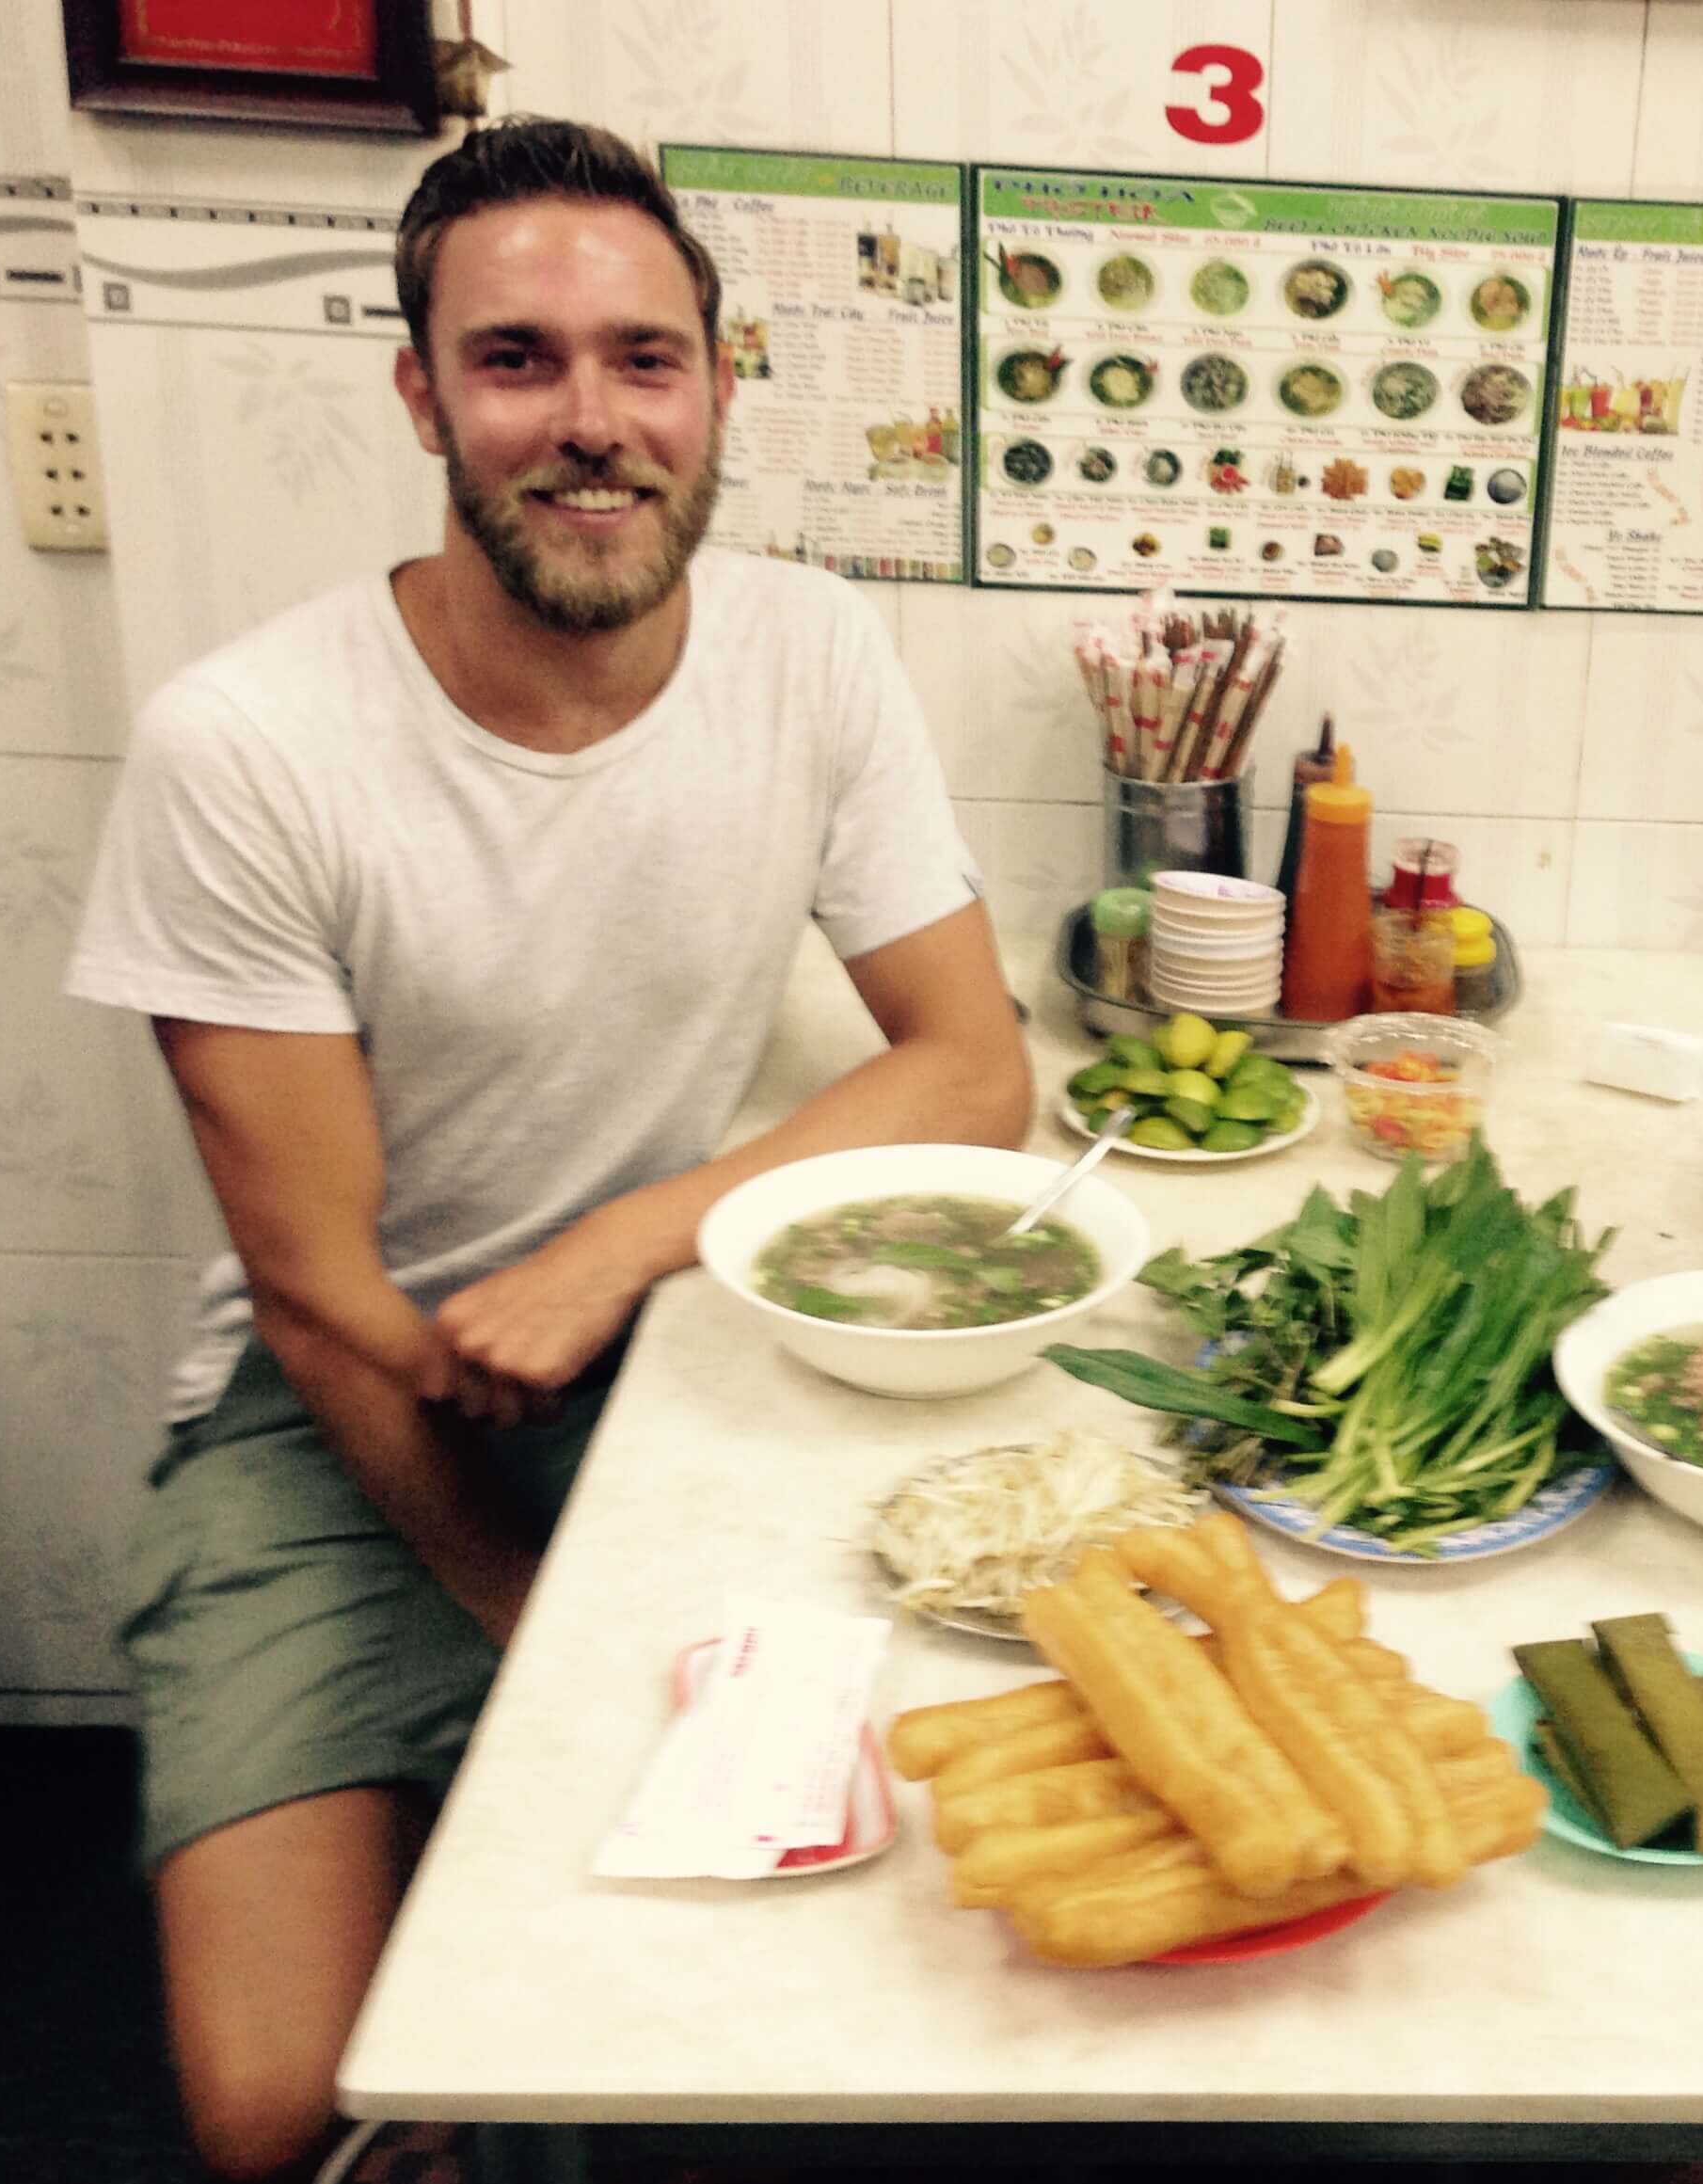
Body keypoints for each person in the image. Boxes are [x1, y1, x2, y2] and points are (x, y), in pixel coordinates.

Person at [63, 118, 1029, 2181]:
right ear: (421, 391)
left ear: (717, 386)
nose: (591, 424)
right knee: (284, 2116)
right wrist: (534, 1623)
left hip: (664, 1356)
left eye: (642, 359)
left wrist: (629, 1243)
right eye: (517, 362)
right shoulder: (245, 746)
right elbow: (324, 1295)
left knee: (832, 1973)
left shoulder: (811, 651)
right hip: (334, 1418)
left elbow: (971, 1067)